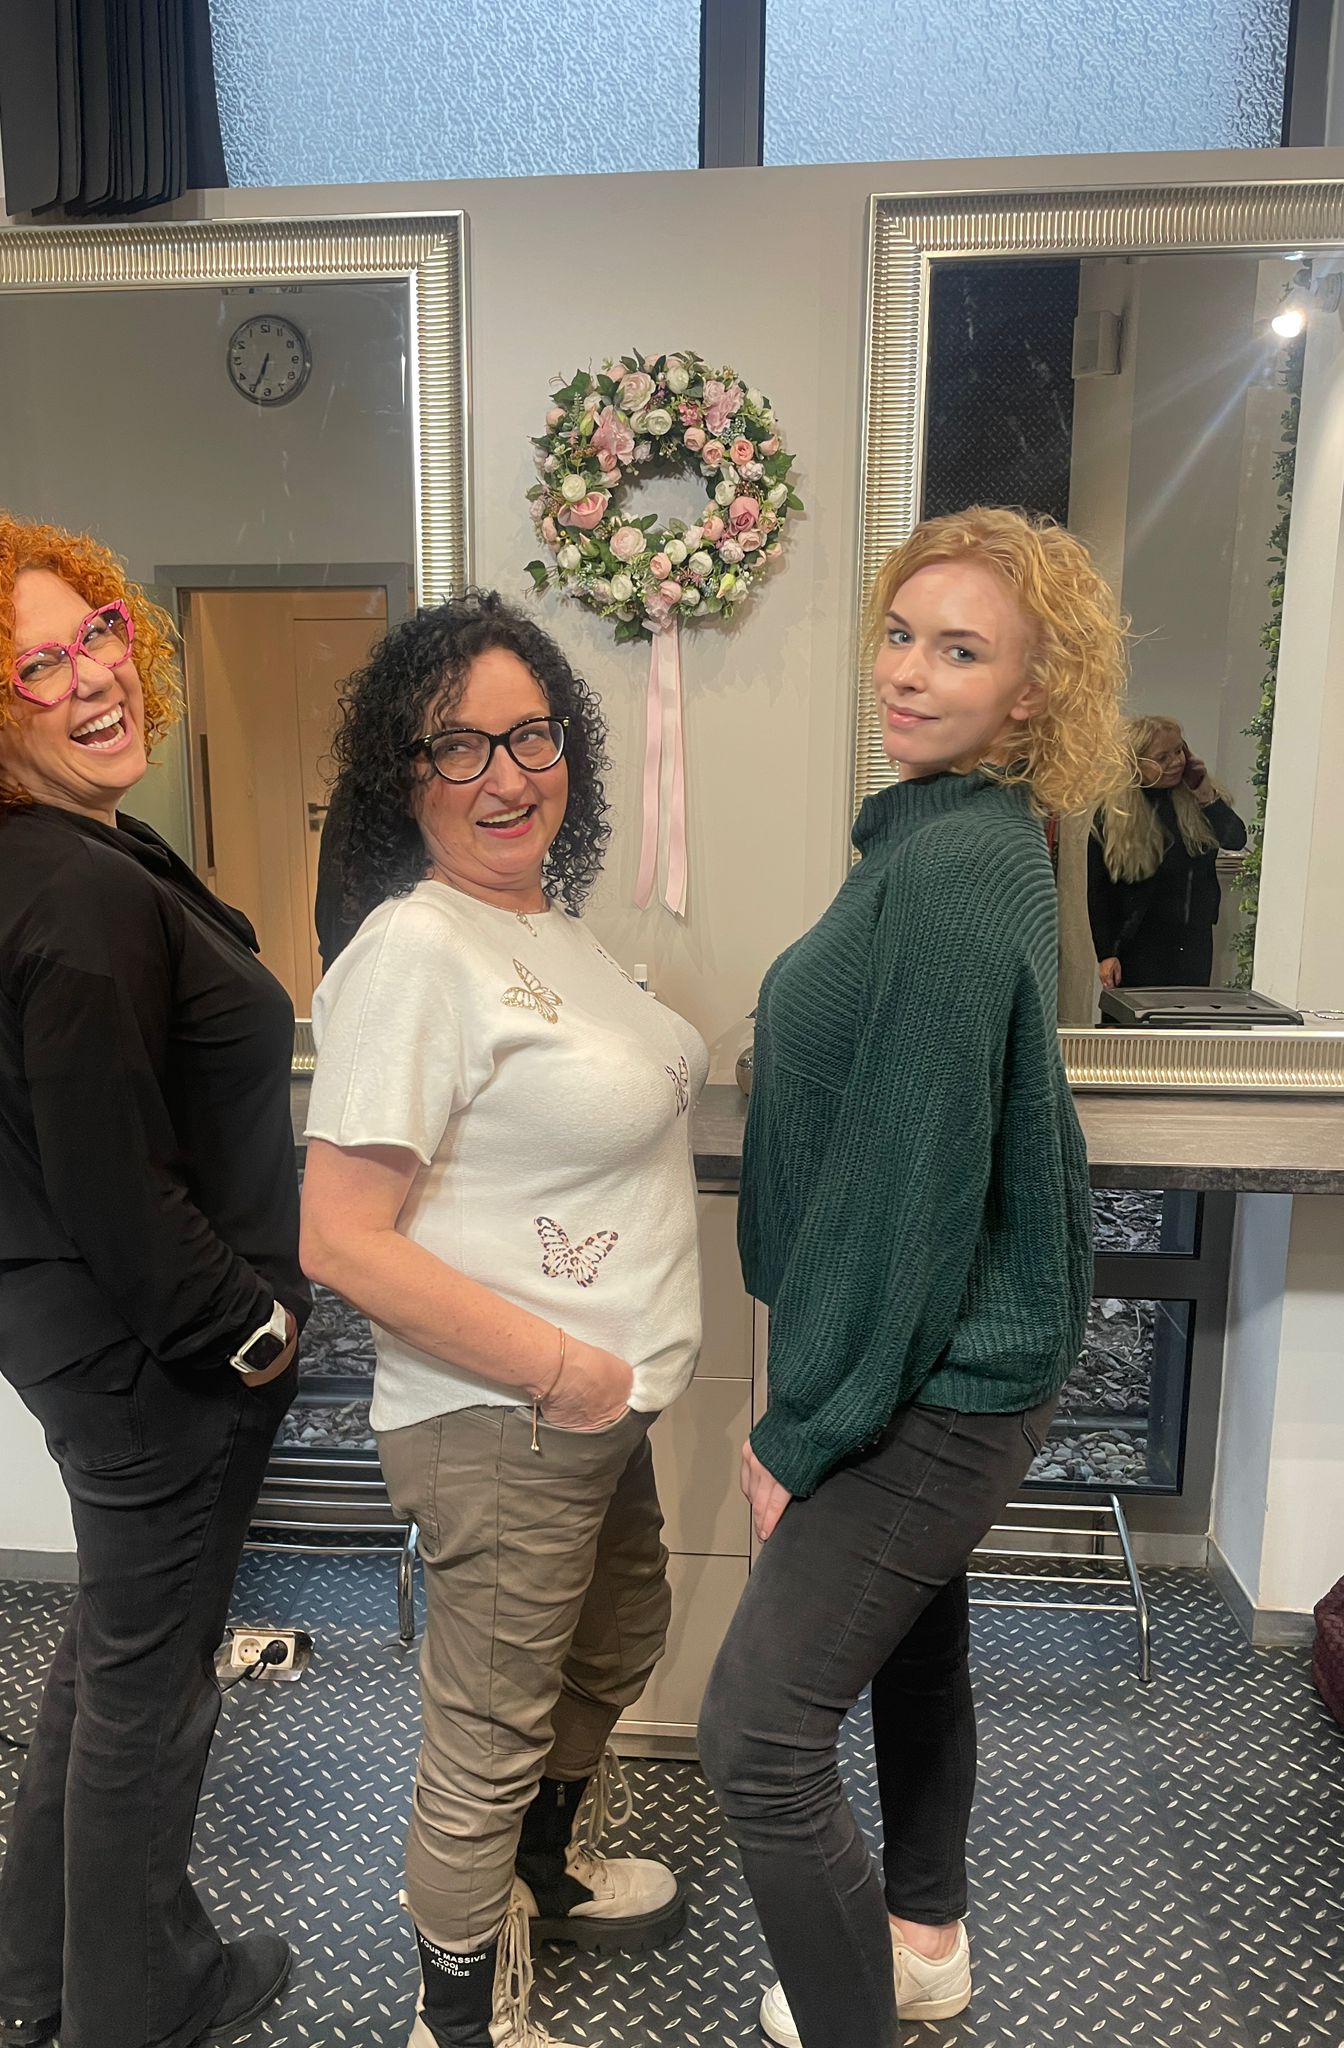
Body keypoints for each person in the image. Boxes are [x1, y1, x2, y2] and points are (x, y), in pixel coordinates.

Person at [0, 513, 308, 2048]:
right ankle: (133, 2009)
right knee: (151, 1700)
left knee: (116, 1662)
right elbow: (117, 1190)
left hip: (81, 1345)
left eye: (94, 631)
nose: (90, 674)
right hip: (151, 1366)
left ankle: (39, 1987)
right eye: (32, 667)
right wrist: (251, 1330)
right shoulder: (76, 893)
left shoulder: (28, 863)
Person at [697, 507, 1132, 2048]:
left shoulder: (953, 870)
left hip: (934, 1378)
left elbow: (909, 1180)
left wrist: (801, 1432)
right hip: (944, 1358)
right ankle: (924, 1942)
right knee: (913, 1640)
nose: (907, 671)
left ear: (1032, 693)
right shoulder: (952, 838)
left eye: (959, 651)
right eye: (899, 634)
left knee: (756, 1738)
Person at [298, 591, 706, 2048]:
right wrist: (563, 1370)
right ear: (402, 777)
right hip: (506, 1414)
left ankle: (541, 1870)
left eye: (529, 735)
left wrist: (607, 1383)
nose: (505, 774)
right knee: (487, 1726)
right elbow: (338, 1236)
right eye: (457, 746)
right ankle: (460, 2017)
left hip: (596, 1406)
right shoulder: (417, 948)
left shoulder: (548, 929)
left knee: (619, 1638)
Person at [1088, 712, 1247, 991]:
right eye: (1162, 758)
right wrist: (1106, 953)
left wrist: (1205, 794)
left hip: (1193, 941)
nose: (1176, 762)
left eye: (1179, 750)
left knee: (1188, 1015)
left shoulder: (1197, 800)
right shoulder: (1115, 814)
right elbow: (1099, 890)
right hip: (1137, 943)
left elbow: (1235, 839)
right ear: (1136, 764)